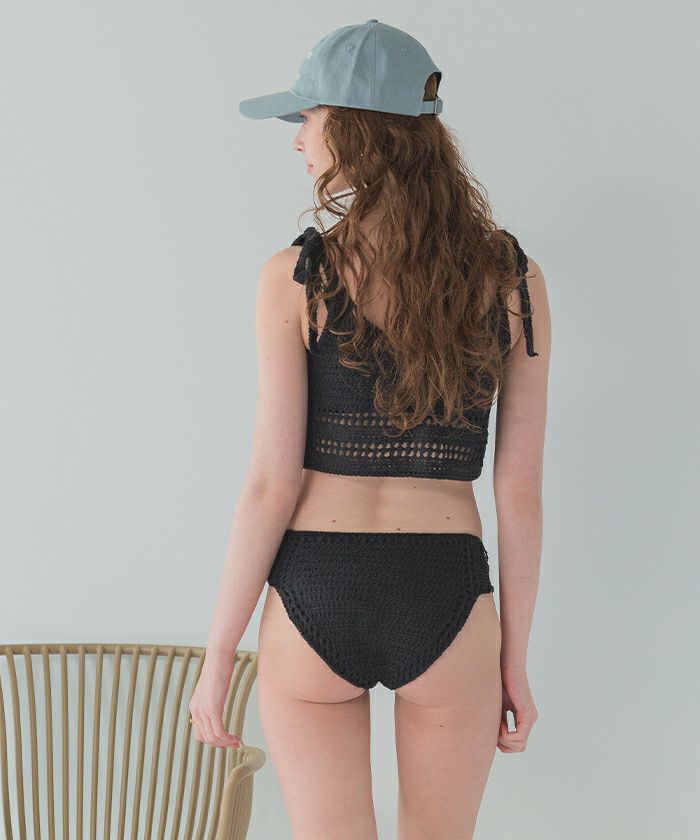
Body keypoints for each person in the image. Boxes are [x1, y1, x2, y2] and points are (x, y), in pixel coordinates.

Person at [189, 18, 551, 840]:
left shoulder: (297, 276)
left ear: (356, 129)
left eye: (308, 119)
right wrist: (513, 661)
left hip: (317, 587)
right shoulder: (513, 278)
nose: (298, 141)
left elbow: (270, 483)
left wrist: (219, 656)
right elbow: (520, 490)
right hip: (448, 593)